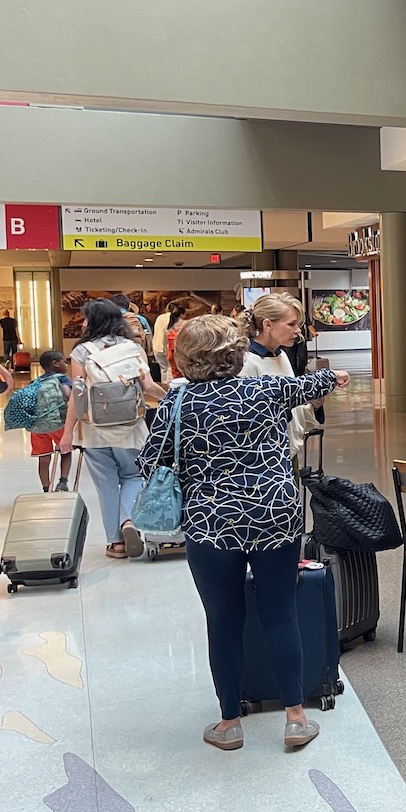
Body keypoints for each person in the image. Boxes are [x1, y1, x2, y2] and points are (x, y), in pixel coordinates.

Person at [138, 314, 349, 751]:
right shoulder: (267, 389)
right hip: (275, 517)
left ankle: (230, 722)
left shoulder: (175, 406)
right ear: (236, 354)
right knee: (280, 612)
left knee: (223, 620)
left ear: (184, 359)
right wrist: (339, 374)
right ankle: (294, 717)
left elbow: (149, 465)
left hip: (210, 525)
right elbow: (322, 383)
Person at [58, 298, 167, 558]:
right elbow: (149, 386)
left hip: (95, 431)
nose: (82, 323)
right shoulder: (132, 347)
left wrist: (67, 433)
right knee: (133, 476)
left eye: (85, 318)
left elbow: (77, 394)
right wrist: (172, 401)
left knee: (106, 485)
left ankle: (115, 543)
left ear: (94, 321)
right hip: (131, 428)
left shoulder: (82, 352)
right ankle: (128, 520)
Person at [239, 293, 320, 458]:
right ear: (268, 324)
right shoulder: (247, 362)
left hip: (288, 453)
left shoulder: (281, 354)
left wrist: (314, 404)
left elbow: (291, 412)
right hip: (266, 459)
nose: (298, 330)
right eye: (291, 324)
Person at [29, 350, 74, 492]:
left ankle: (45, 487)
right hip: (57, 423)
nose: (66, 365)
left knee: (43, 459)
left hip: (37, 427)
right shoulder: (63, 378)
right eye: (64, 362)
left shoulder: (35, 381)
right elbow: (68, 395)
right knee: (65, 451)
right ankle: (63, 481)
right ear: (55, 363)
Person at [152, 303, 175, 381]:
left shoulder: (160, 317)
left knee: (163, 369)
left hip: (156, 346)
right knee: (170, 368)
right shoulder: (173, 318)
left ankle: (164, 389)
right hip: (167, 347)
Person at [164, 302, 187, 379]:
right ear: (181, 314)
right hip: (181, 352)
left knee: (175, 374)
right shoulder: (185, 324)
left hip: (170, 352)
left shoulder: (169, 326)